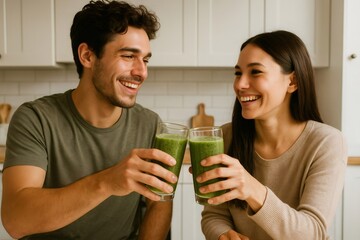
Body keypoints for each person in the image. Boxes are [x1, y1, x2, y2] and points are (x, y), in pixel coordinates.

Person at [1, 1, 177, 239]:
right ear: (87, 56)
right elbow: (16, 220)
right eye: (128, 56)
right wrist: (107, 182)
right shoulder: (36, 119)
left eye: (145, 60)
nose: (142, 72)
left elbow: (159, 202)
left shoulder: (150, 124)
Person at [197, 30, 347, 240]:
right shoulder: (226, 136)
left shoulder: (326, 143)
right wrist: (223, 234)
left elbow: (312, 233)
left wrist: (251, 188)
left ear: (292, 81)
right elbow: (214, 214)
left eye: (255, 72)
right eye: (238, 73)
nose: (240, 84)